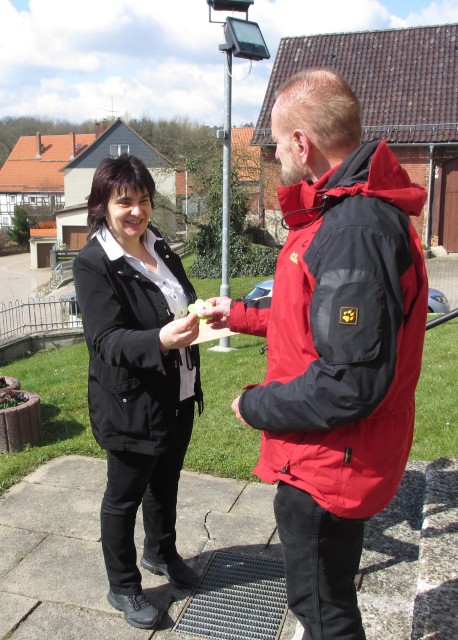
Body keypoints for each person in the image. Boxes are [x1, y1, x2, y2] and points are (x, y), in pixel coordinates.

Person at [203, 69, 428, 640]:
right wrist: (238, 316)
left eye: (277, 143)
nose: (276, 155)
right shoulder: (350, 211)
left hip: (328, 466)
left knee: (323, 611)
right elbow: (311, 324)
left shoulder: (353, 228)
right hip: (340, 459)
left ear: (302, 144)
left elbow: (349, 381)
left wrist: (255, 405)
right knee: (329, 592)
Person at [73, 154, 203, 630]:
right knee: (124, 496)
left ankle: (161, 552)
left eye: (143, 200)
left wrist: (202, 315)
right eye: (124, 201)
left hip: (178, 390)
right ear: (102, 206)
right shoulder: (94, 264)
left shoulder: (159, 245)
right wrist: (161, 340)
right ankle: (123, 585)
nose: (136, 211)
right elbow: (104, 341)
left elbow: (181, 299)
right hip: (129, 401)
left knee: (165, 482)